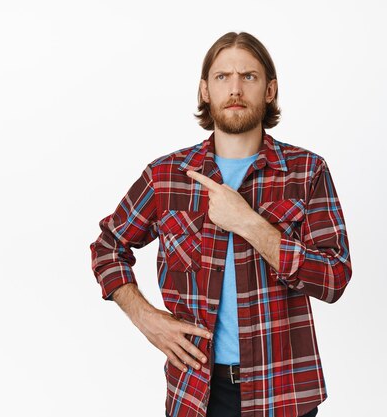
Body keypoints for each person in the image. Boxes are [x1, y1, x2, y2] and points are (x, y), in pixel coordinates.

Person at [89, 31, 352, 417]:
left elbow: (334, 278)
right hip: (196, 392)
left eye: (248, 76)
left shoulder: (306, 172)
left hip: (284, 392)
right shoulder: (168, 176)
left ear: (269, 90)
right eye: (222, 77)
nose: (235, 88)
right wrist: (146, 319)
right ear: (204, 91)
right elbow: (108, 247)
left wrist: (249, 222)